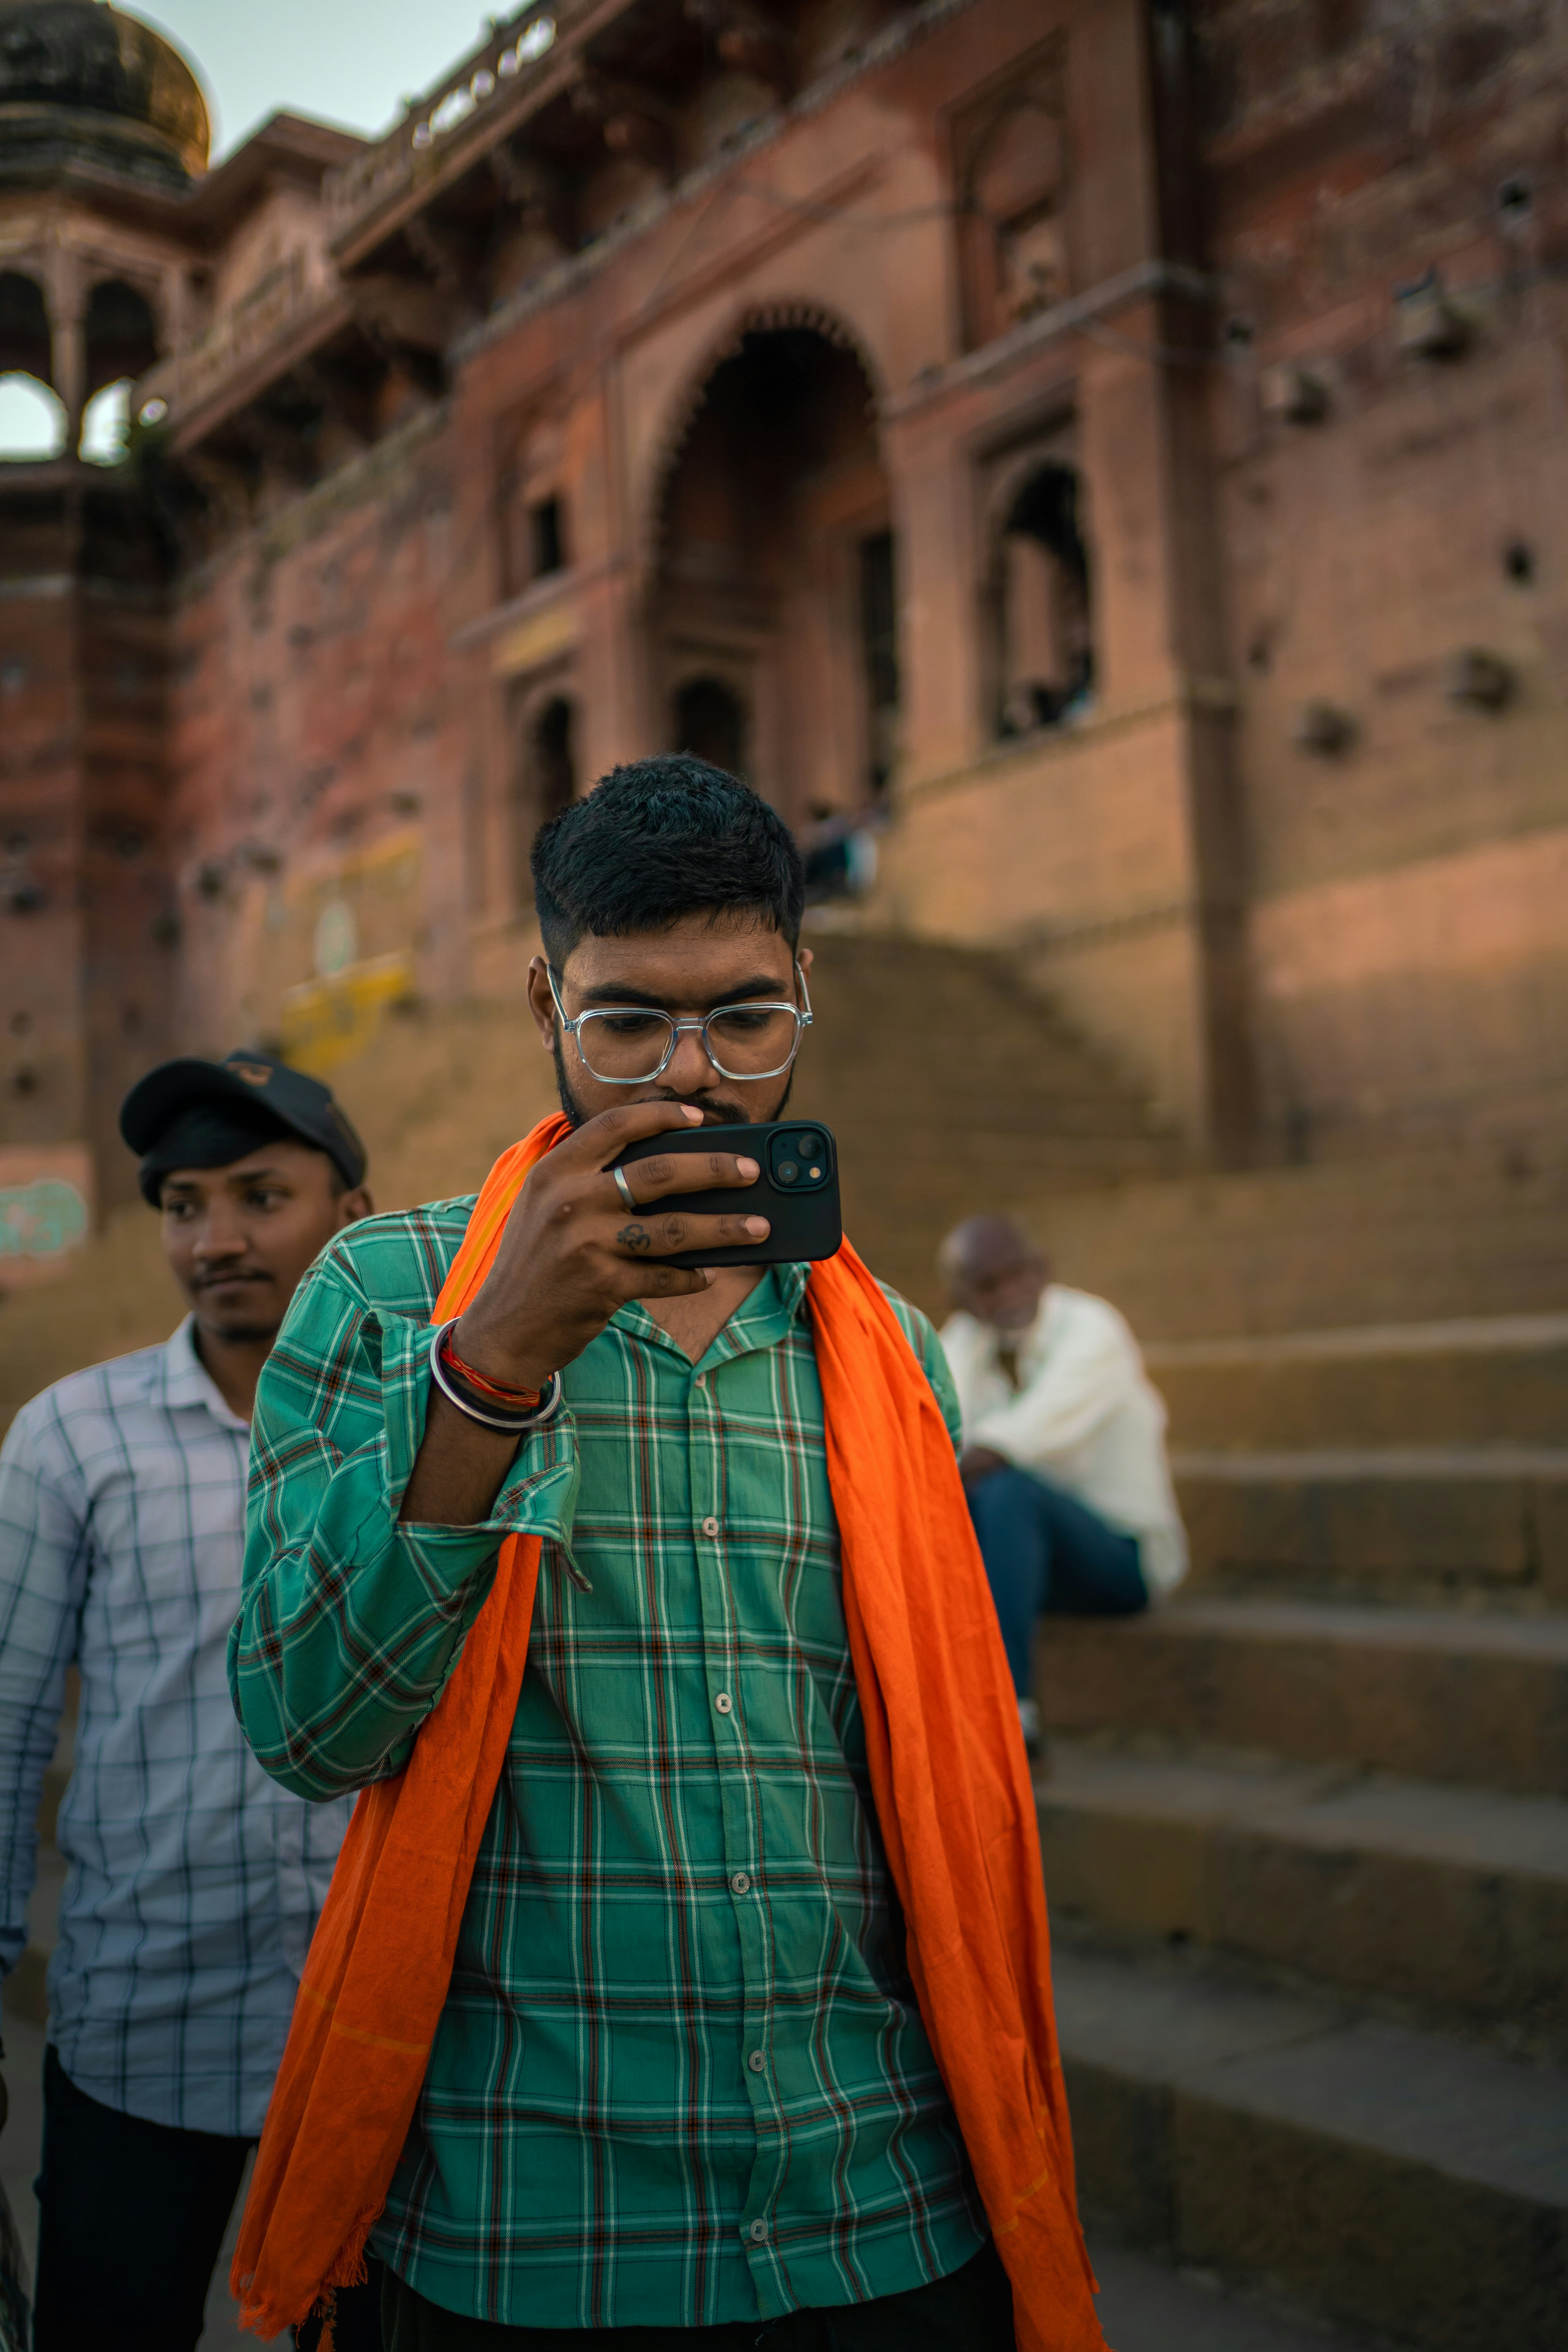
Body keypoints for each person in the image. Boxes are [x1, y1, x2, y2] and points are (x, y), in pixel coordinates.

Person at [229, 760, 1107, 2352]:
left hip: (887, 2215)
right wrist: (487, 1369)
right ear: (540, 999)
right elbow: (305, 1726)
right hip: (529, 2228)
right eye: (626, 1023)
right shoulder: (381, 1294)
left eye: (746, 1021)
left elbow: (924, 1786)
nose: (691, 1079)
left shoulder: (889, 1351)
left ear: (806, 991)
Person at [0, 1051, 385, 2352]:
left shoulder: (432, 1426)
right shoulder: (71, 1439)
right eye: (182, 1206)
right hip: (141, 2024)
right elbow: (8, 1732)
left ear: (353, 1212)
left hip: (378, 2031)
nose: (216, 1240)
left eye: (261, 1196)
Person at [938, 1214, 1187, 1755]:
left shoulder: (1094, 1328)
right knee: (969, 1502)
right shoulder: (962, 1341)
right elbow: (932, 1432)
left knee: (1005, 1489)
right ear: (962, 1299)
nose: (1010, 1294)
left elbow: (1013, 1441)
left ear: (1041, 1269)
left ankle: (1009, 1710)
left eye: (1019, 1275)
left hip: (1123, 1559)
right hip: (1028, 1560)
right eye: (988, 1285)